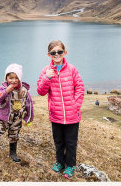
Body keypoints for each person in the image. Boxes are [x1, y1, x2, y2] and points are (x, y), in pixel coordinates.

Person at [37, 40, 85, 179]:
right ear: (49, 55)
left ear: (65, 52)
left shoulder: (72, 69)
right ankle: (60, 162)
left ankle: (70, 166)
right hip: (56, 114)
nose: (56, 54)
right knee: (58, 141)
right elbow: (41, 91)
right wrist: (47, 78)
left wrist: (75, 105)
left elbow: (80, 88)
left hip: (72, 115)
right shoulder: (46, 71)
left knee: (71, 142)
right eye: (53, 53)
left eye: (59, 52)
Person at [0, 63, 34, 163]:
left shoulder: (24, 90)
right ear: (6, 78)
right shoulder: (2, 89)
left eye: (16, 78)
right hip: (3, 118)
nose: (13, 80)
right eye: (10, 78)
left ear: (20, 78)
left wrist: (28, 117)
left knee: (14, 135)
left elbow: (29, 104)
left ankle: (13, 153)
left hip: (17, 119)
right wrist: (6, 91)